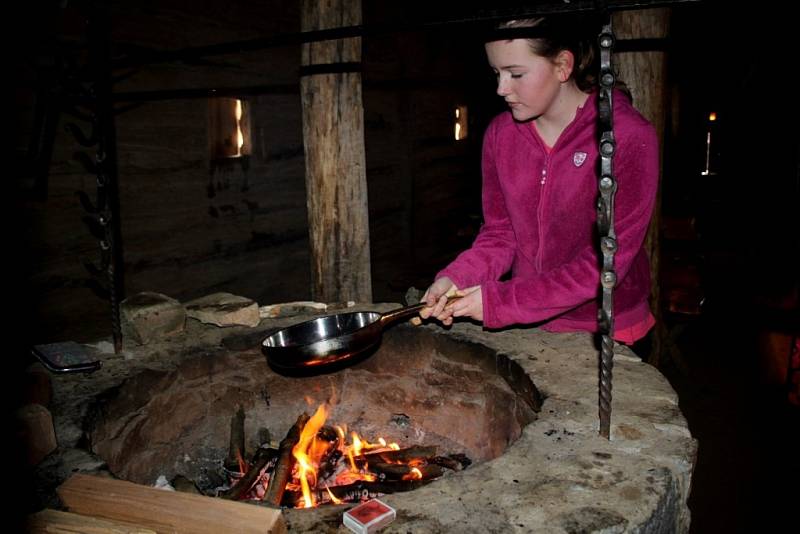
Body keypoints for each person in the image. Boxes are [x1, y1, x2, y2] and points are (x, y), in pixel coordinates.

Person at [420, 16, 658, 344]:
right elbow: (501, 234)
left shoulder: (627, 137)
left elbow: (605, 263)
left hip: (607, 328)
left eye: (516, 74)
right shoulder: (501, 135)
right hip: (527, 324)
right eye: (496, 73)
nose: (502, 89)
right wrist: (456, 277)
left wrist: (501, 302)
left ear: (562, 65)